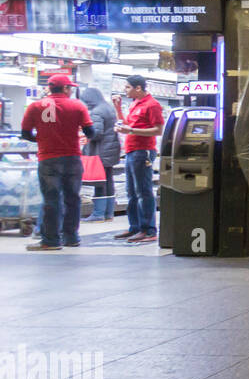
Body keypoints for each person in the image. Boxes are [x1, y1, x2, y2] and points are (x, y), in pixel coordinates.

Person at [20, 74, 95, 251]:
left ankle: (51, 240)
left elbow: (25, 133)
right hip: (72, 158)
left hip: (48, 159)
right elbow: (90, 132)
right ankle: (71, 237)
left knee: (51, 199)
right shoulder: (77, 106)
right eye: (70, 88)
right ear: (65, 88)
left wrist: (41, 139)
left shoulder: (35, 106)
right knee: (73, 198)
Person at [113, 75, 164, 244]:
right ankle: (135, 227)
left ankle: (149, 230)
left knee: (143, 191)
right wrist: (118, 109)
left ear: (138, 88)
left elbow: (158, 130)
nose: (125, 90)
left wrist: (132, 131)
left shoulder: (152, 105)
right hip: (131, 151)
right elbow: (129, 124)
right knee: (132, 192)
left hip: (143, 151)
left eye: (127, 87)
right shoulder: (135, 104)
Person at [80, 86, 120, 221]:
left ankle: (98, 214)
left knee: (99, 183)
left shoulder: (96, 112)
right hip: (110, 151)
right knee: (108, 181)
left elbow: (96, 133)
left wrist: (84, 131)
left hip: (100, 152)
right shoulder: (108, 108)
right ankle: (108, 213)